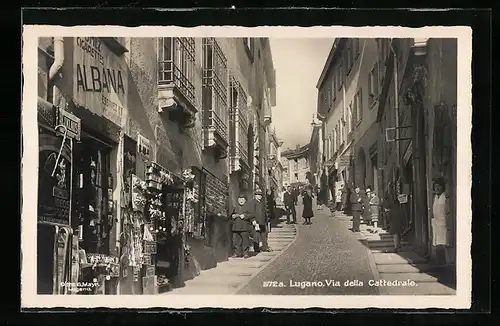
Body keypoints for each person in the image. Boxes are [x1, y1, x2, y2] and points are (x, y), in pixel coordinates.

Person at [432, 177, 451, 264]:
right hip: (436, 223)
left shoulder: (445, 197)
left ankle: (445, 261)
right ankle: (439, 262)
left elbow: (447, 210)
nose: (437, 188)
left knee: (444, 243)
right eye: (436, 187)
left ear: (442, 187)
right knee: (437, 243)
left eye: (439, 186)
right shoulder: (435, 197)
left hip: (444, 223)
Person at [248, 188, 271, 253]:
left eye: (260, 195)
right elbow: (251, 212)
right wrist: (253, 220)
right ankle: (256, 248)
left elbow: (264, 213)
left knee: (264, 235)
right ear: (255, 195)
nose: (260, 196)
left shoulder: (261, 203)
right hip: (256, 222)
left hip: (262, 222)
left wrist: (267, 221)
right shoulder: (253, 202)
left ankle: (264, 247)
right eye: (258, 195)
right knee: (256, 235)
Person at [230, 194, 252, 259]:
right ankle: (237, 253)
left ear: (245, 200)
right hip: (236, 227)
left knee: (245, 241)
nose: (241, 201)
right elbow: (231, 214)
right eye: (239, 199)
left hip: (244, 227)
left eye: (242, 199)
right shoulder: (235, 206)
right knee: (236, 241)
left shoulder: (248, 207)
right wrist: (232, 216)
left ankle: (245, 253)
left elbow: (252, 215)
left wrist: (245, 216)